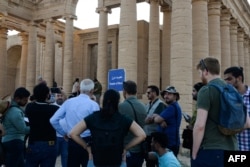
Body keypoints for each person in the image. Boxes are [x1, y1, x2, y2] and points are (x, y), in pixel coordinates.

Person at [70, 89, 146, 167]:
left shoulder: (93, 117)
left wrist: (86, 147)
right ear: (117, 102)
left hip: (96, 160)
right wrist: (126, 148)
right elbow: (142, 135)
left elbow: (73, 133)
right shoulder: (123, 119)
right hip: (117, 160)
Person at [191, 57, 238, 167]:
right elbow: (247, 123)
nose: (200, 76)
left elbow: (200, 126)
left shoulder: (206, 90)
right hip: (234, 150)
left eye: (200, 72)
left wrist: (194, 152)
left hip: (212, 150)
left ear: (206, 71)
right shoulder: (232, 90)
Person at [50, 78, 100, 167]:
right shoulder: (93, 105)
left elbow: (53, 120)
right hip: (87, 141)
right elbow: (97, 125)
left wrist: (63, 133)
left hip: (72, 140)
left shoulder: (69, 102)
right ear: (92, 91)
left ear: (79, 89)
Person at [25, 84, 59, 167]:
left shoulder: (29, 107)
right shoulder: (54, 109)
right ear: (47, 95)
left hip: (33, 142)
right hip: (49, 144)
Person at [118, 80, 147, 167]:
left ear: (124, 91)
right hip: (140, 150)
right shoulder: (143, 106)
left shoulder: (121, 107)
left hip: (126, 149)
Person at [149, 86, 182, 157]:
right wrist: (159, 118)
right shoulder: (174, 106)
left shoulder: (171, 108)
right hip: (171, 143)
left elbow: (157, 120)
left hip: (169, 144)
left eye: (169, 94)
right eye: (165, 94)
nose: (166, 96)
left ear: (175, 96)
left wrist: (155, 116)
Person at [1, 87, 30, 167]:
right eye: (25, 100)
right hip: (14, 141)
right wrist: (36, 127)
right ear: (17, 99)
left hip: (9, 141)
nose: (26, 102)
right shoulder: (15, 111)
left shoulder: (9, 109)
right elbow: (23, 129)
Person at [224, 66, 250, 151]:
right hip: (233, 147)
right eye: (225, 80)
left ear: (239, 78)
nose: (227, 82)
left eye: (229, 79)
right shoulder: (227, 97)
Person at [144, 85, 166, 167]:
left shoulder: (160, 105)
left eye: (149, 92)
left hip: (155, 136)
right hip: (147, 135)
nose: (147, 94)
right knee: (148, 159)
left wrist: (149, 119)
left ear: (154, 93)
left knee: (154, 159)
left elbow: (153, 119)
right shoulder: (147, 104)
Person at [53, 90, 68, 167]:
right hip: (55, 136)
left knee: (65, 156)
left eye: (61, 96)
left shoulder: (67, 106)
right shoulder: (51, 107)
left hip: (66, 137)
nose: (60, 97)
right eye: (58, 96)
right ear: (55, 97)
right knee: (52, 157)